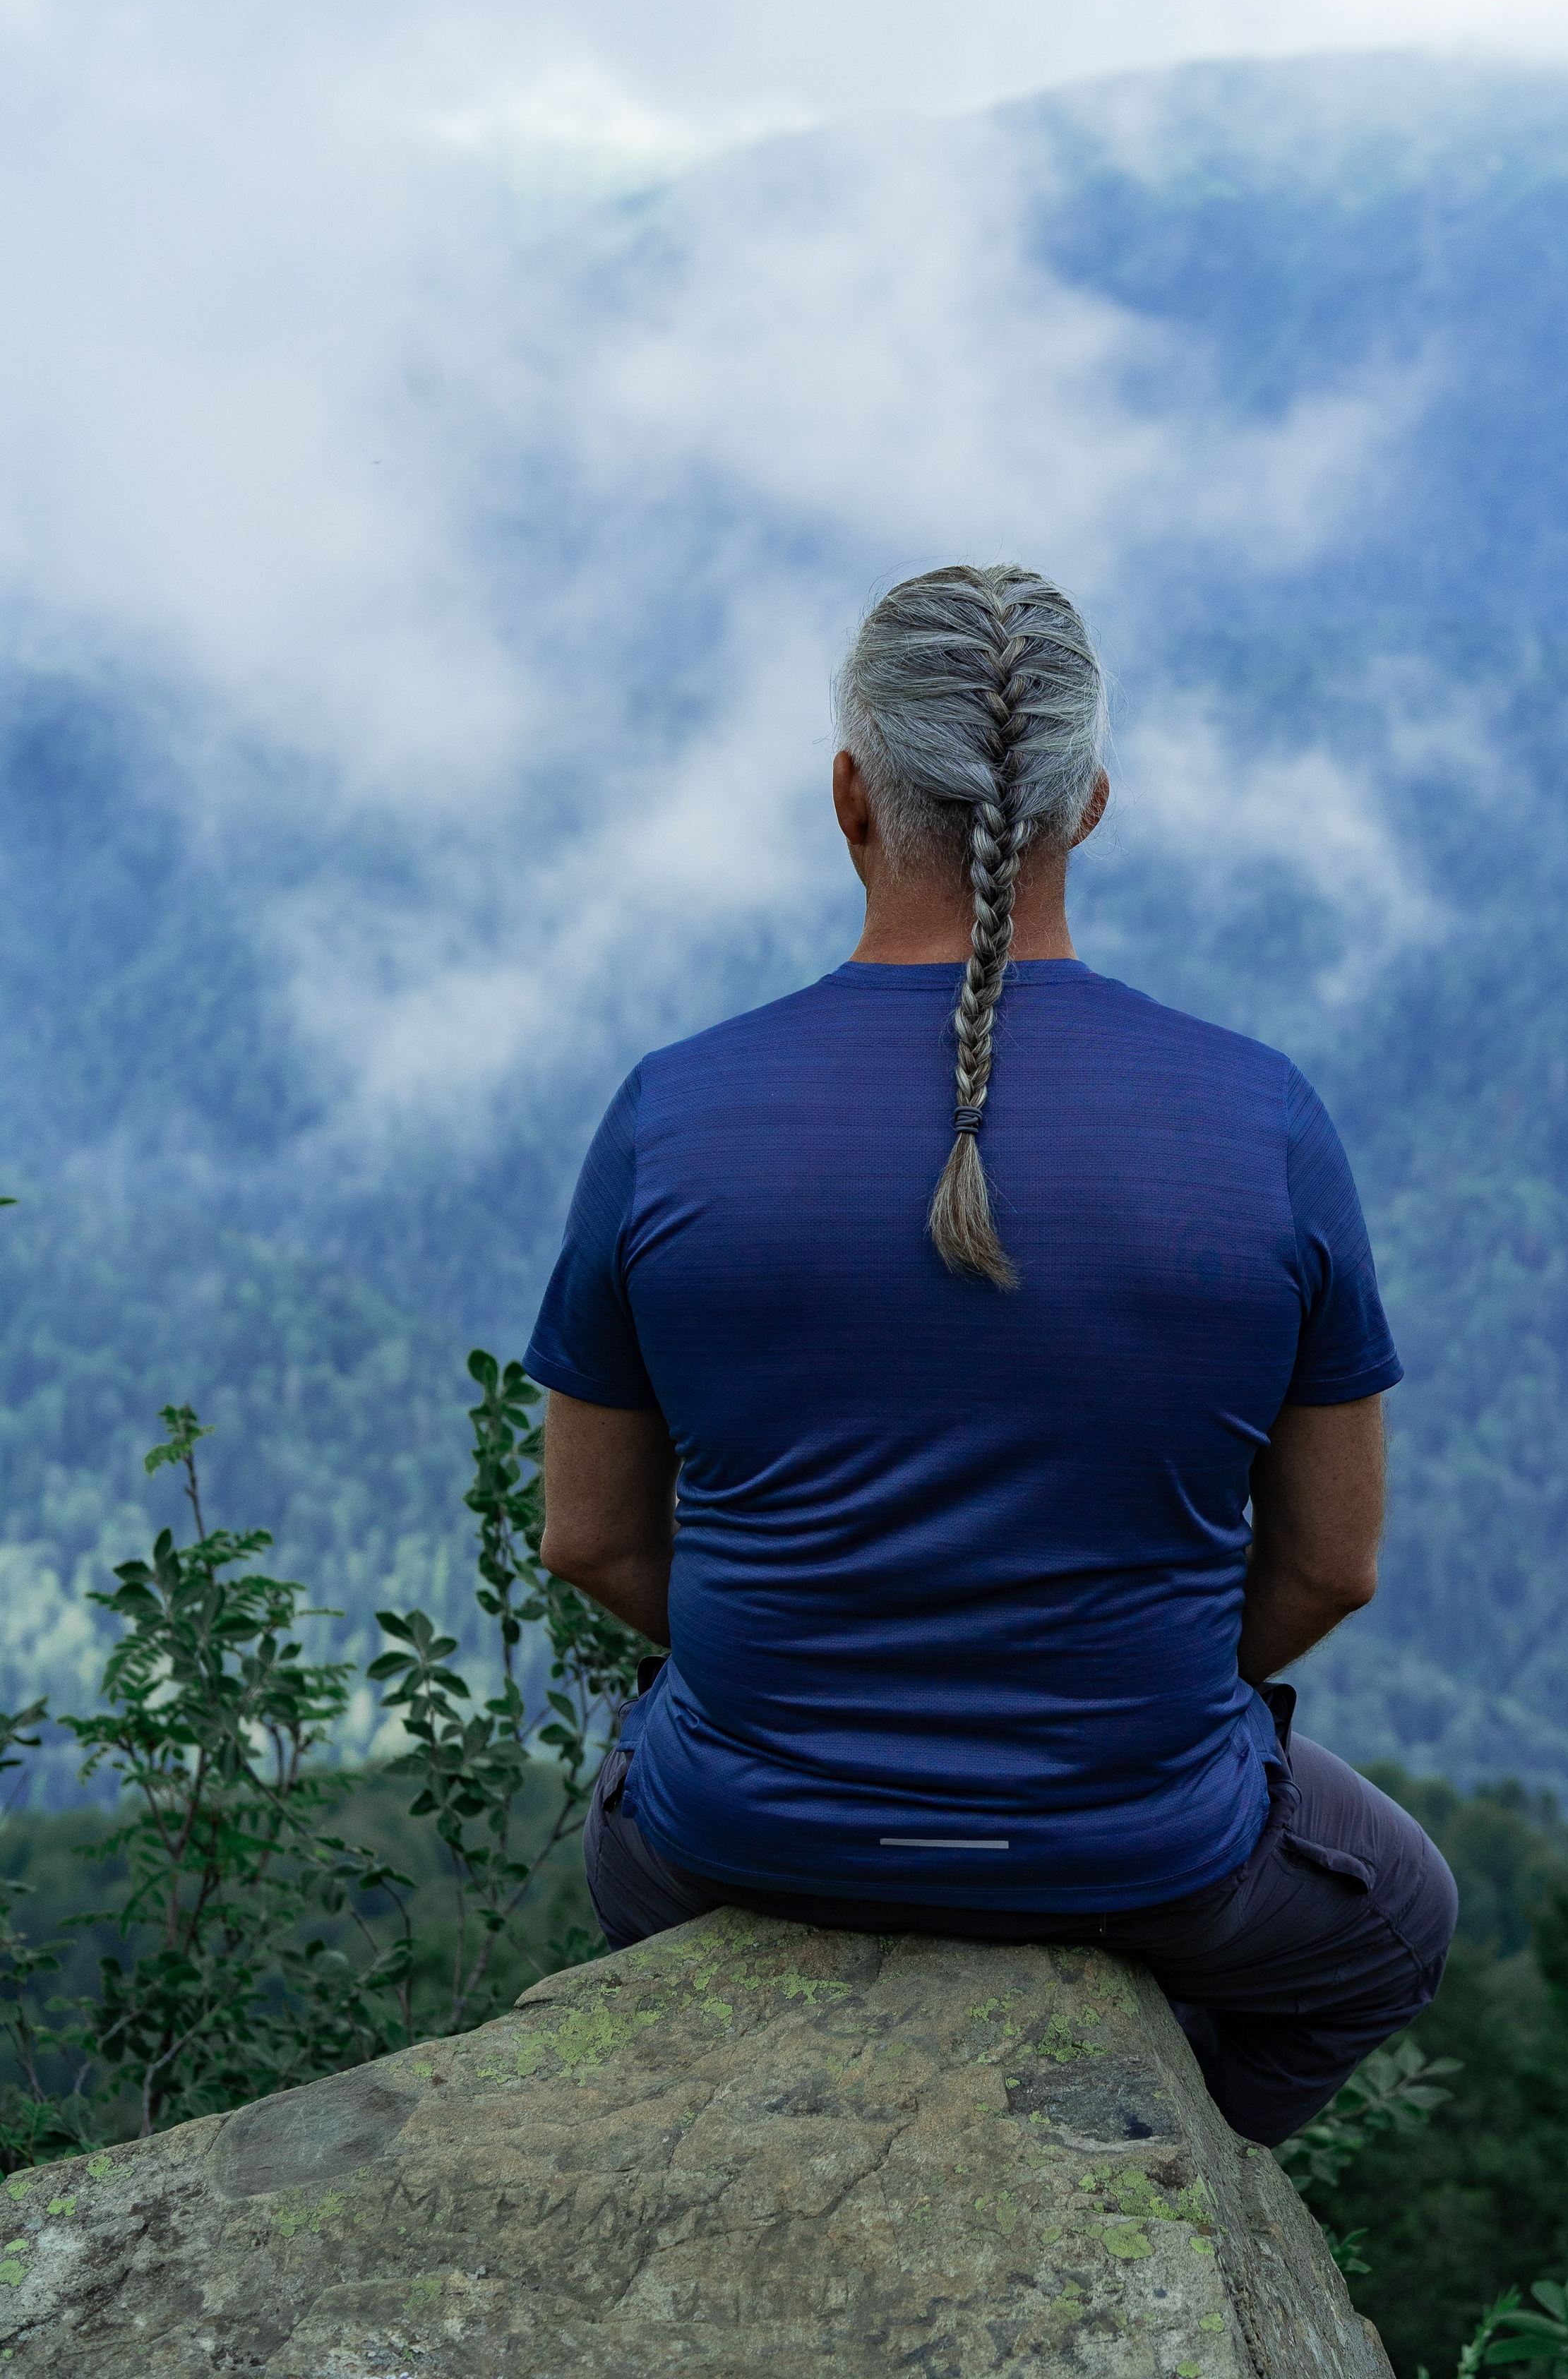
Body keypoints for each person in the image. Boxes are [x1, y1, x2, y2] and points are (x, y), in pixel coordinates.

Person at [525, 562, 1455, 2147]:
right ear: (1084, 803)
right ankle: (1155, 2175)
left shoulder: (671, 1110)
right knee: (1395, 1916)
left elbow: (591, 1535)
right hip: (1142, 1845)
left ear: (845, 795)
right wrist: (1113, 1701)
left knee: (625, 1814)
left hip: (733, 1838)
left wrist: (816, 1673)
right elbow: (1332, 1564)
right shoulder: (1258, 1120)